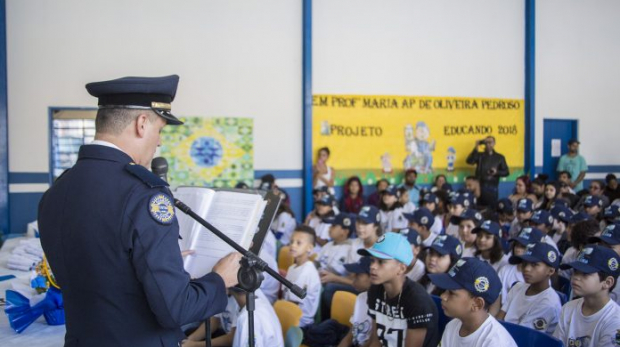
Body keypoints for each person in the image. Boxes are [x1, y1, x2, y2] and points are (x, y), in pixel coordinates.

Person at [37, 75, 241, 347]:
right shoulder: (143, 195)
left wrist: (156, 261)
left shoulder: (58, 190)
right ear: (142, 124)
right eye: (160, 130)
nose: (158, 143)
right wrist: (220, 280)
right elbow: (175, 309)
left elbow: (98, 268)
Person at [359, 233, 440, 347]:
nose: (373, 266)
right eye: (372, 260)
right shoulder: (375, 290)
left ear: (401, 268)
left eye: (381, 262)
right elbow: (375, 341)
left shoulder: (417, 300)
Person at [430, 257, 517, 347]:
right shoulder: (452, 325)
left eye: (451, 293)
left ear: (477, 304)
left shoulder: (496, 343)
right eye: (445, 291)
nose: (443, 296)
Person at [554, 245, 620, 346]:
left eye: (585, 274)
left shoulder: (615, 320)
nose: (576, 278)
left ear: (607, 282)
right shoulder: (568, 308)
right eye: (575, 272)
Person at [498, 242, 562, 335]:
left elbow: (523, 336)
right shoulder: (517, 287)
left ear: (551, 271)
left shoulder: (549, 303)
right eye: (524, 263)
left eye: (534, 264)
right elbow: (499, 320)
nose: (526, 269)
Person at [283, 225, 322, 327]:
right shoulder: (292, 268)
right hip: (289, 314)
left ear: (309, 248)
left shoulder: (306, 271)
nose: (293, 245)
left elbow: (293, 305)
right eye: (291, 241)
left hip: (300, 323)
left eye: (298, 243)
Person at [337, 257, 373, 347]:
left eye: (358, 275)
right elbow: (350, 336)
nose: (353, 278)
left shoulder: (382, 305)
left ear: (372, 277)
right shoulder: (361, 298)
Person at [466, 136, 510, 208]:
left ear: (494, 143)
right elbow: (469, 161)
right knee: (478, 207)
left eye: (490, 142)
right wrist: (476, 147)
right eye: (486, 142)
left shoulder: (499, 157)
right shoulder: (480, 156)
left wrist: (496, 172)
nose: (488, 144)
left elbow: (506, 172)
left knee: (491, 209)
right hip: (479, 187)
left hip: (492, 188)